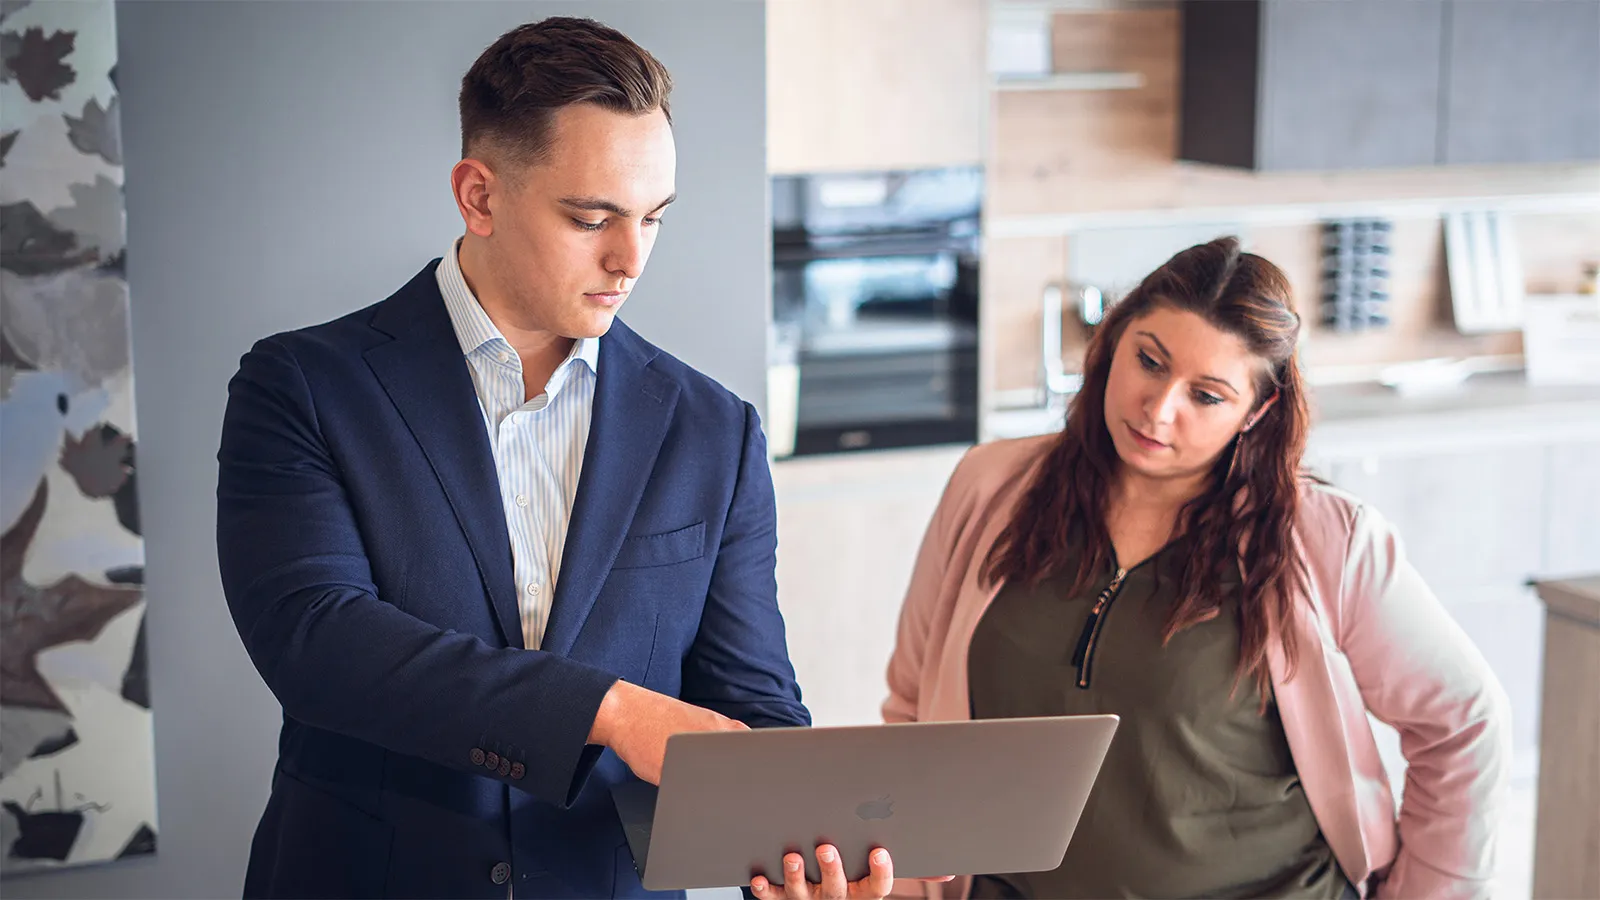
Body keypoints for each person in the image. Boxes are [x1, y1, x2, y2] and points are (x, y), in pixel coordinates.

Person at [217, 17, 904, 899]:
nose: (630, 258)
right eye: (592, 218)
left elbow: (748, 698)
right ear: (479, 196)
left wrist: (802, 841)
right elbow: (317, 641)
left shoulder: (712, 429)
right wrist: (607, 711)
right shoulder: (304, 386)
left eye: (653, 218)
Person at [881, 237, 1511, 900]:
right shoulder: (992, 486)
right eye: (1149, 361)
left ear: (1255, 413)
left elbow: (1464, 721)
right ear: (1114, 341)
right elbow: (915, 705)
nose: (1158, 408)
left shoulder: (1329, 541)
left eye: (1206, 396)